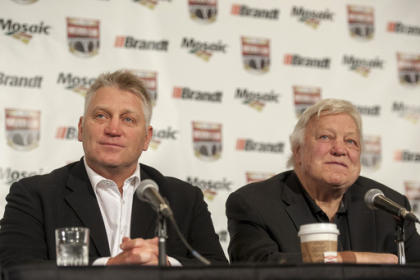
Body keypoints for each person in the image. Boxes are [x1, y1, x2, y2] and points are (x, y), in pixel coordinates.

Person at [0, 70, 227, 267]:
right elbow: (15, 268)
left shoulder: (183, 199)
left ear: (147, 138)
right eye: (101, 116)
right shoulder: (34, 195)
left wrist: (164, 262)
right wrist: (108, 266)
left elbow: (218, 270)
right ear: (81, 129)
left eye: (128, 119)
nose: (113, 129)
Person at [226, 98, 420, 264]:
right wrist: (350, 259)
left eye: (350, 141)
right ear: (298, 150)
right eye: (325, 137)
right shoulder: (254, 204)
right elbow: (259, 268)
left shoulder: (390, 209)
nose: (340, 149)